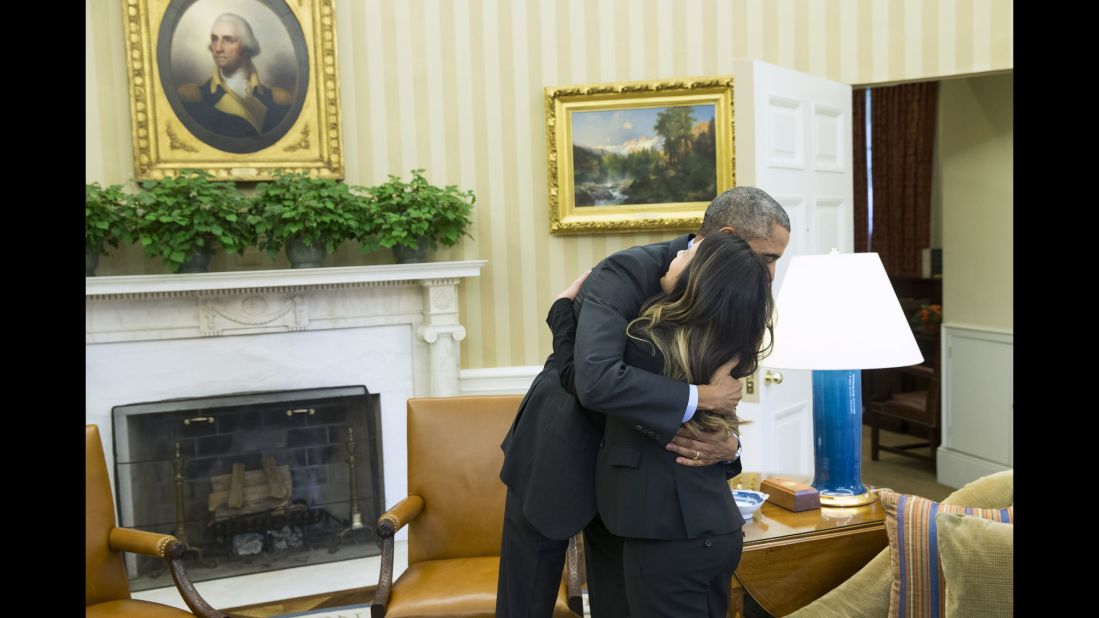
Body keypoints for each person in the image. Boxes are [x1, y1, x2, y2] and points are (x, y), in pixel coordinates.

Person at [497, 186, 791, 616]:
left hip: (636, 484)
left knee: (620, 604)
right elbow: (595, 379)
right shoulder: (627, 270)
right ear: (726, 235)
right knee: (525, 605)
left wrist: (729, 445)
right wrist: (698, 396)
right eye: (768, 257)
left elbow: (721, 394)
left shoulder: (741, 294)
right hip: (560, 450)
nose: (769, 274)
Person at [557, 233, 775, 616]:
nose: (678, 252)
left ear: (701, 275)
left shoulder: (647, 341)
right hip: (716, 528)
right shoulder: (727, 346)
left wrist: (561, 312)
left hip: (667, 537)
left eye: (691, 252)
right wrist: (732, 445)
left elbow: (586, 379)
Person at [177, 13, 293, 137]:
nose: (217, 48)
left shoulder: (278, 100)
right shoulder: (192, 98)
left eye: (228, 40)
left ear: (246, 47)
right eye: (214, 39)